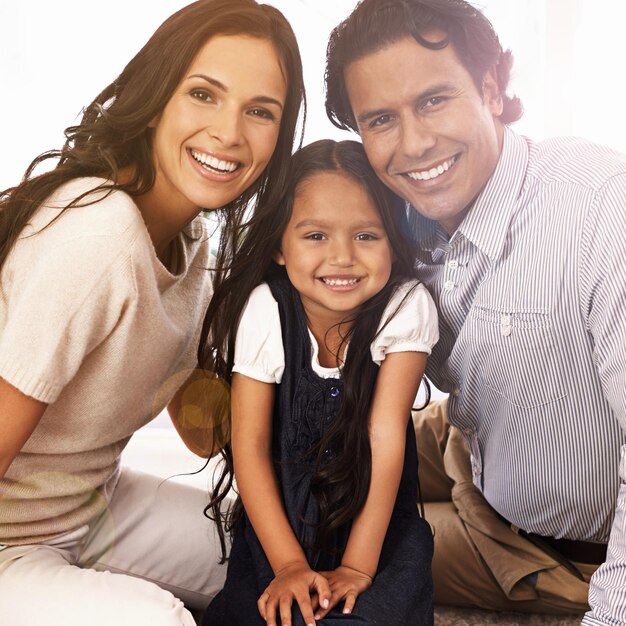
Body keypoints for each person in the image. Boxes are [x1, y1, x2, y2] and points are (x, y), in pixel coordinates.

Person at [0, 1, 305, 624]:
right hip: (7, 541)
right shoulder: (97, 236)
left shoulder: (193, 238)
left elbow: (194, 421)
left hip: (95, 507)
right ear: (158, 94)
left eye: (259, 111)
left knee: (282, 558)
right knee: (159, 619)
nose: (229, 133)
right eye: (203, 94)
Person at [324, 0, 626, 624]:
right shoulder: (403, 211)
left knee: (332, 561)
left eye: (434, 100)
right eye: (381, 118)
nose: (414, 144)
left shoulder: (601, 207)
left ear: (492, 87)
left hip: (542, 545)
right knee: (315, 475)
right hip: (472, 445)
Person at [200, 139, 438, 626]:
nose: (343, 257)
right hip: (283, 526)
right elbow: (250, 442)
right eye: (315, 236)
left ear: (394, 237)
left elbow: (386, 435)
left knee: (369, 615)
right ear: (279, 248)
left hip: (375, 526)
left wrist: (357, 566)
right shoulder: (267, 308)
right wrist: (287, 565)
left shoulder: (404, 305)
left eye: (367, 236)